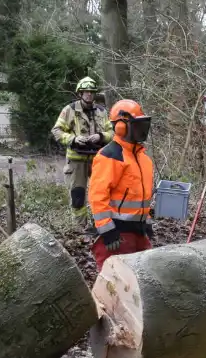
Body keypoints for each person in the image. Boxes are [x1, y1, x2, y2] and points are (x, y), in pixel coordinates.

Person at [89, 99, 155, 271]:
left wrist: (146, 221)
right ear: (121, 127)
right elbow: (97, 195)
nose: (142, 130)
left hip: (138, 231)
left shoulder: (144, 159)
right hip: (117, 233)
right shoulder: (110, 156)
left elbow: (141, 196)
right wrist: (106, 229)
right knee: (115, 286)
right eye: (137, 124)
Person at [51, 76, 113, 230]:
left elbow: (113, 132)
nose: (89, 94)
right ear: (80, 93)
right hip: (76, 160)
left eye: (91, 92)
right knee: (78, 196)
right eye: (86, 92)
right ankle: (80, 229)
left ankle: (101, 226)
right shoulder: (69, 110)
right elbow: (56, 131)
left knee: (101, 194)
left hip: (98, 159)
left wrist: (101, 136)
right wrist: (74, 139)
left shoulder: (102, 111)